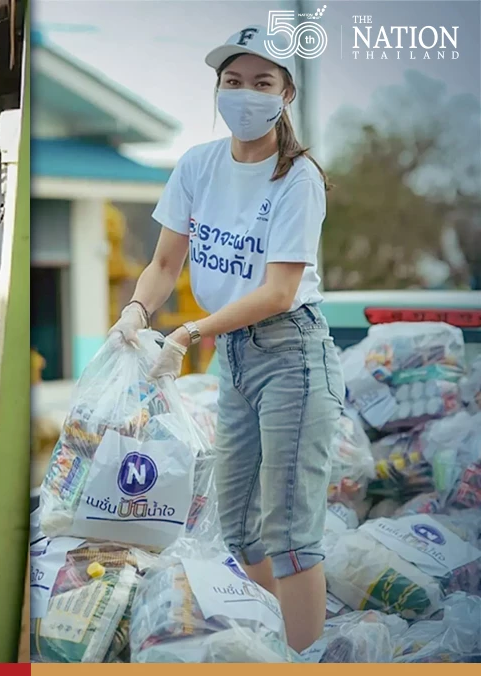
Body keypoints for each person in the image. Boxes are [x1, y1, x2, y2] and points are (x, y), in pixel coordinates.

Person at [109, 26, 341, 653]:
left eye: (261, 83)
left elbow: (277, 292)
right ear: (217, 89)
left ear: (284, 95)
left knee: (290, 531)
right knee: (238, 528)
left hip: (291, 353)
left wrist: (185, 332)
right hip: (235, 355)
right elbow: (163, 265)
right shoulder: (198, 166)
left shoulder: (298, 178)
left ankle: (305, 657)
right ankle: (270, 644)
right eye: (232, 82)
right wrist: (135, 311)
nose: (244, 95)